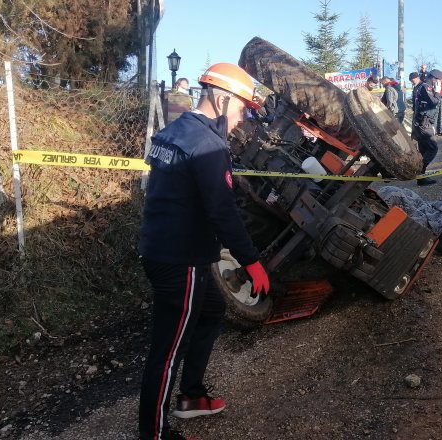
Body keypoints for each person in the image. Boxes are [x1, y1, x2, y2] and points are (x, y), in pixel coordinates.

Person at [139, 62, 270, 440]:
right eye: (242, 108)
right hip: (179, 258)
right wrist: (252, 262)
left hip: (161, 245)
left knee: (212, 309)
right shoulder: (208, 146)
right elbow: (222, 213)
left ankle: (192, 396)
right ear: (222, 97)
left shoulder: (174, 131)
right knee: (167, 350)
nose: (243, 117)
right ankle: (154, 434)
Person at [409, 70, 442, 186]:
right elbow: (434, 101)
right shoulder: (426, 87)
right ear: (434, 79)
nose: (439, 83)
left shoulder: (420, 87)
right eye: (438, 81)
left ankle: (421, 178)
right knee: (433, 148)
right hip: (424, 123)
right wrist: (438, 92)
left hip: (420, 122)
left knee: (423, 150)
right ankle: (420, 171)